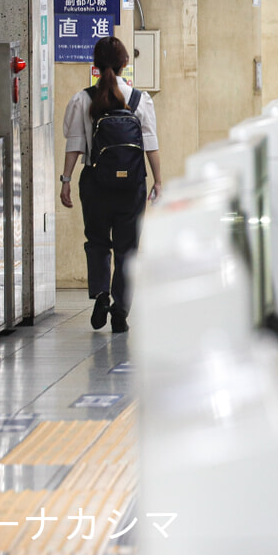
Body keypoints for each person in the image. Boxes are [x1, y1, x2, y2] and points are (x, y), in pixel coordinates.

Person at [60, 37, 161, 334]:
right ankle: (121, 311)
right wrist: (159, 181)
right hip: (132, 184)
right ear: (125, 63)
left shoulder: (83, 99)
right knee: (128, 249)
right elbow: (150, 144)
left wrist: (65, 181)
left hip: (95, 182)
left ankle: (102, 294)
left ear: (95, 64)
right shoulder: (140, 99)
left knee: (97, 242)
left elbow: (74, 143)